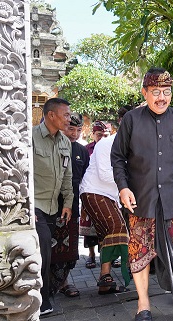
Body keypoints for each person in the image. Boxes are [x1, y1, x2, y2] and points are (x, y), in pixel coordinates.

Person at [111, 67, 173, 321]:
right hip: (142, 199)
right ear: (145, 93)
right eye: (156, 92)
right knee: (139, 252)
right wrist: (123, 187)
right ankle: (143, 303)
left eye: (166, 92)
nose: (162, 97)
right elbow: (118, 157)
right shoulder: (131, 120)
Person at [78, 106, 133, 295]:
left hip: (110, 197)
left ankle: (105, 279)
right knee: (118, 230)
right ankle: (114, 274)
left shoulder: (134, 147)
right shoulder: (106, 144)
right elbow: (104, 175)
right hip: (93, 191)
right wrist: (130, 184)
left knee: (108, 235)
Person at [32, 98, 73, 315]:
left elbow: (67, 177)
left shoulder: (65, 142)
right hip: (34, 206)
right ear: (51, 115)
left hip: (53, 208)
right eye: (65, 115)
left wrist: (67, 203)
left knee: (48, 253)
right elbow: (19, 174)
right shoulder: (30, 138)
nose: (69, 119)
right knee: (44, 250)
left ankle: (42, 296)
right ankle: (41, 301)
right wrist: (25, 206)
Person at [50, 112, 90, 298]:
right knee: (49, 245)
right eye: (70, 129)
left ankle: (64, 282)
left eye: (78, 130)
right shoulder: (53, 145)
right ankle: (48, 284)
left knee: (69, 248)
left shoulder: (82, 152)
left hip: (72, 206)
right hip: (50, 205)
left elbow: (85, 179)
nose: (74, 134)